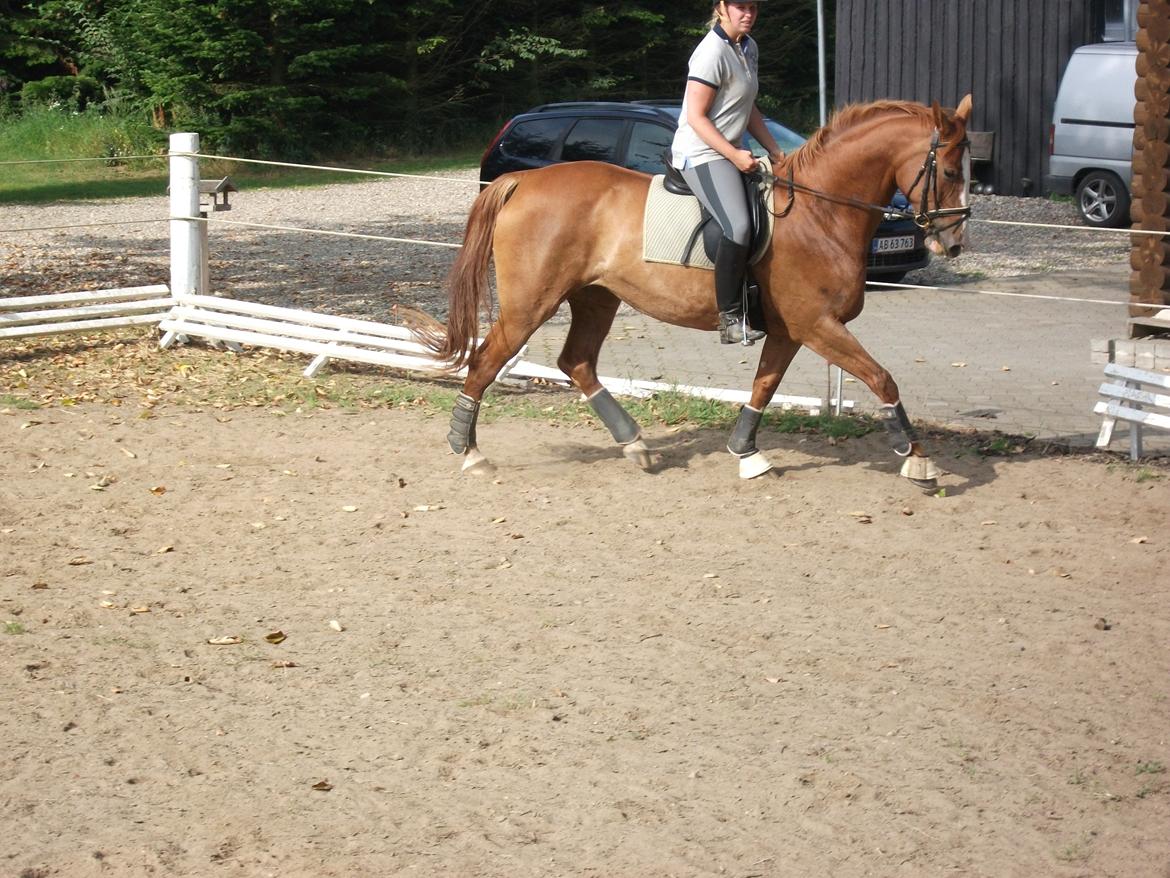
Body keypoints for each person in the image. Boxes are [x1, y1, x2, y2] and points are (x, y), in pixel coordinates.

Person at [671, 0, 786, 344]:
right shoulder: (710, 52)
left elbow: (747, 106)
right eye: (739, 6)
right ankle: (730, 318)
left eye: (752, 7)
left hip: (730, 149)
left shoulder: (748, 48)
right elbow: (696, 116)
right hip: (700, 151)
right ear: (720, 8)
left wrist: (775, 149)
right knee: (738, 226)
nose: (747, 13)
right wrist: (734, 155)